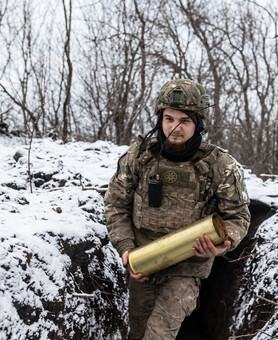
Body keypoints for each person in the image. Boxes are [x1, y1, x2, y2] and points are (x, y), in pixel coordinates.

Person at [104, 79, 250, 340]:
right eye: (169, 118)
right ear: (160, 118)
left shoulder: (219, 165)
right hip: (144, 260)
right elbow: (116, 203)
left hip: (188, 265)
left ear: (199, 124)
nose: (175, 127)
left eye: (185, 120)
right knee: (138, 332)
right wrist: (126, 249)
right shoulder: (139, 156)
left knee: (159, 334)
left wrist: (223, 243)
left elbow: (238, 215)